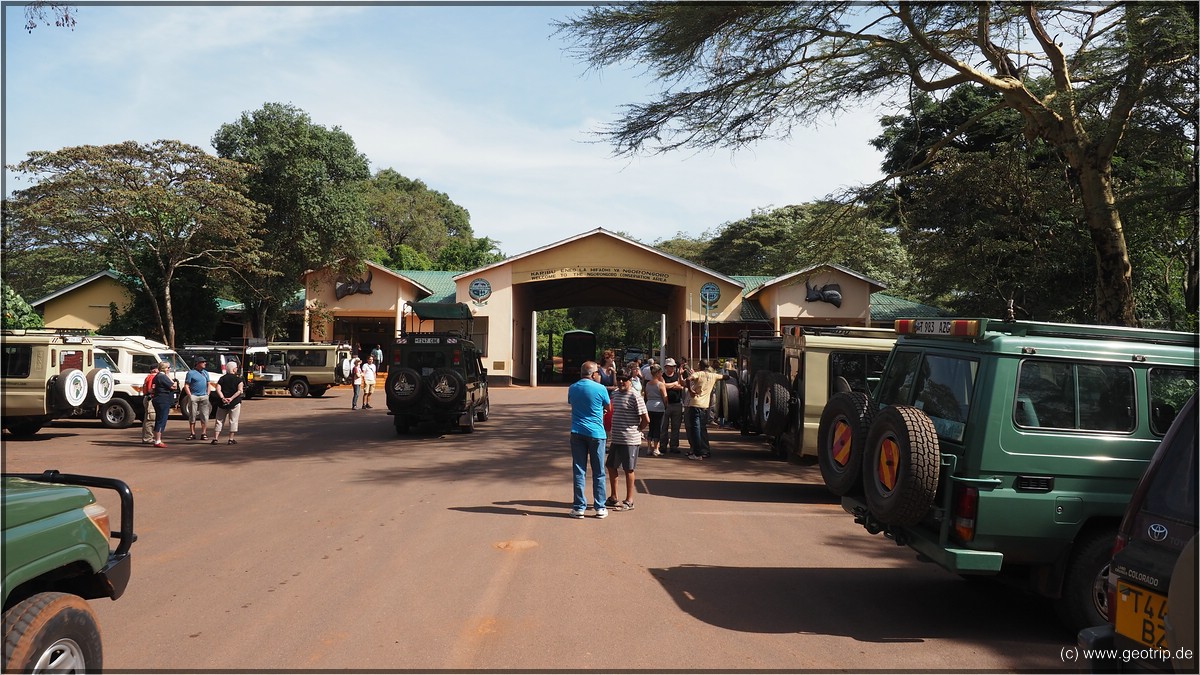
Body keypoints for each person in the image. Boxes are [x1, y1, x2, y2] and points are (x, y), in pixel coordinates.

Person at [567, 361, 611, 519]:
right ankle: (600, 507)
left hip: (577, 431)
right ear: (593, 374)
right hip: (597, 434)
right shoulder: (601, 388)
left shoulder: (573, 388)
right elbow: (608, 407)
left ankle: (579, 507)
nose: (599, 375)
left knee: (579, 470)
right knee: (598, 471)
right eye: (598, 372)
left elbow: (572, 403)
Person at [605, 370, 648, 511]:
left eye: (625, 379)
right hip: (616, 438)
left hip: (630, 439)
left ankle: (630, 500)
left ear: (631, 380)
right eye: (620, 379)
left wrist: (638, 430)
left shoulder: (635, 396)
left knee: (628, 469)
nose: (622, 382)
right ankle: (613, 497)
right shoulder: (616, 394)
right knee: (611, 466)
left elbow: (645, 419)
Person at [684, 359, 726, 460]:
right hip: (704, 406)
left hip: (695, 404)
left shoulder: (699, 374)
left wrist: (690, 390)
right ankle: (704, 450)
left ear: (700, 365)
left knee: (695, 429)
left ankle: (697, 453)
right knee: (702, 428)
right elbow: (725, 377)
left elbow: (688, 379)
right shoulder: (713, 375)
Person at [211, 361, 244, 445]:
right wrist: (231, 398)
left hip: (222, 403)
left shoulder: (222, 378)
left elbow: (218, 389)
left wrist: (222, 398)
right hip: (235, 403)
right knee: (233, 420)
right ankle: (230, 439)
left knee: (219, 420)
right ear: (233, 369)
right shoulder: (238, 379)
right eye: (236, 367)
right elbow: (240, 391)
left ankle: (215, 438)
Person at [659, 358, 686, 454]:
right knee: (664, 427)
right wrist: (674, 384)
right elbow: (662, 386)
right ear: (666, 367)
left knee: (676, 427)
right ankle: (663, 446)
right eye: (671, 366)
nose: (673, 368)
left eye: (674, 366)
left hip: (677, 403)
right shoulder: (662, 376)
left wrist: (668, 385)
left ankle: (674, 446)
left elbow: (682, 386)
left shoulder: (677, 376)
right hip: (665, 404)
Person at [150, 361, 177, 448]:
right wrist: (174, 381)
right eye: (168, 368)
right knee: (161, 419)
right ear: (164, 368)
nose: (169, 369)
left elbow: (153, 388)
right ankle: (158, 440)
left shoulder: (157, 377)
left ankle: (157, 439)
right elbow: (173, 386)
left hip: (158, 399)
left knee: (159, 418)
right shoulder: (162, 376)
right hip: (163, 400)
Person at [183, 358, 212, 441]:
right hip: (194, 396)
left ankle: (204, 433)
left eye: (205, 362)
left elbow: (208, 384)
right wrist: (190, 395)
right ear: (198, 363)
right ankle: (192, 433)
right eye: (203, 362)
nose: (205, 363)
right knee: (192, 415)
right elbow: (186, 385)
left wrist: (208, 394)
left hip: (204, 396)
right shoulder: (191, 373)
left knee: (205, 416)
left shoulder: (205, 373)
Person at [644, 363, 667, 456]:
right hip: (659, 407)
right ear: (658, 373)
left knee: (651, 427)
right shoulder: (660, 384)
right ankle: (656, 448)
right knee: (657, 427)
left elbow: (646, 395)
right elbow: (665, 397)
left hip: (649, 406)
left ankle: (649, 447)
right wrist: (666, 405)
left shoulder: (648, 384)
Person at [140, 366, 158, 444]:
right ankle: (148, 438)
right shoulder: (152, 377)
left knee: (149, 418)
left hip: (148, 398)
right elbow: (151, 389)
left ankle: (148, 437)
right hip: (150, 399)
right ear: (154, 369)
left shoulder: (150, 377)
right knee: (150, 418)